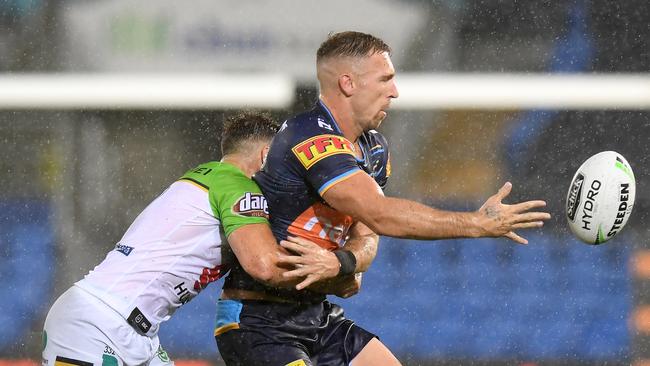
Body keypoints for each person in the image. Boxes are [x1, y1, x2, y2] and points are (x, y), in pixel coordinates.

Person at [214, 31, 551, 366]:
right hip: (258, 320)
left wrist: (342, 263)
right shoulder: (310, 137)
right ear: (348, 83)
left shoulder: (374, 149)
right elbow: (381, 215)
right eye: (385, 79)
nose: (395, 91)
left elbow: (367, 239)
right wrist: (475, 223)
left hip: (317, 316)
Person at [41, 111, 356, 366]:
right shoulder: (238, 186)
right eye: (283, 163)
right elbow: (264, 266)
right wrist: (337, 269)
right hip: (96, 325)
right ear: (264, 156)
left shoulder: (206, 177)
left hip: (133, 331)